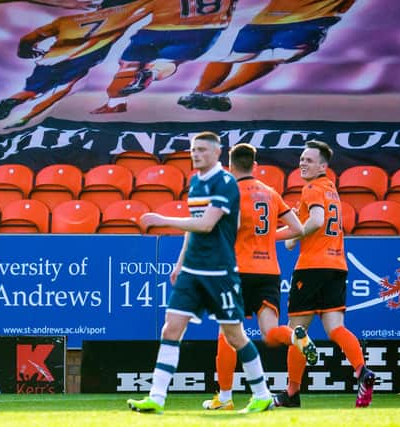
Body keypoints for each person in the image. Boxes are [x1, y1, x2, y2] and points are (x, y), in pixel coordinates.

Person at [129, 132, 273, 414]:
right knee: (170, 328)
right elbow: (193, 226)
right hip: (192, 272)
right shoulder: (195, 182)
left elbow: (206, 225)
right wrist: (180, 262)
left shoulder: (226, 182)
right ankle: (156, 398)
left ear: (218, 153)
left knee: (235, 336)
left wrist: (162, 219)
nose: (196, 154)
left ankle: (262, 393)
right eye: (193, 150)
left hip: (219, 272)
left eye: (202, 150)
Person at [202, 142, 315, 411]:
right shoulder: (271, 193)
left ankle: (226, 398)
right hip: (269, 273)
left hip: (238, 271)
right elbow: (298, 228)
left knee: (228, 334)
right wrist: (267, 238)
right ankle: (294, 337)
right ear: (255, 165)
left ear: (230, 166)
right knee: (269, 331)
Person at [275, 140, 375, 408]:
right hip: (336, 266)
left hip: (311, 268)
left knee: (297, 331)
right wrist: (290, 235)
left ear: (323, 166)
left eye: (309, 160)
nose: (302, 163)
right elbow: (300, 230)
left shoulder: (311, 189)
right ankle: (361, 371)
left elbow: (316, 222)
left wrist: (287, 235)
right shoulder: (331, 190)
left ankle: (292, 393)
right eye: (301, 158)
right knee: (336, 327)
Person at [0, 0, 152, 128]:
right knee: (62, 90)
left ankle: (12, 100)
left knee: (31, 90)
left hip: (50, 59)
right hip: (82, 59)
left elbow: (29, 38)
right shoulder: (121, 16)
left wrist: (25, 52)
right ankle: (26, 117)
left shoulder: (66, 20)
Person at [177, 0, 356, 112]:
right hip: (310, 21)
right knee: (274, 58)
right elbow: (344, 7)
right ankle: (213, 93)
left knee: (233, 56)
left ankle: (199, 93)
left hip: (265, 20)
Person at [91, 0, 236, 114]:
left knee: (128, 65)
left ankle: (116, 104)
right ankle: (152, 74)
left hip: (157, 29)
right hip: (203, 31)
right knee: (169, 62)